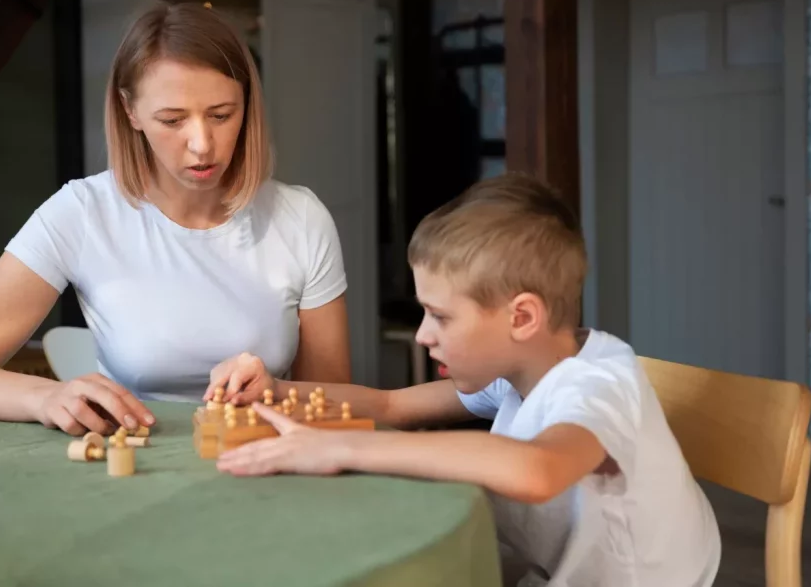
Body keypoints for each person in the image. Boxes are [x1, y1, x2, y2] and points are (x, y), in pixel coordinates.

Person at [204, 173, 721, 587]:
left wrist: (338, 449)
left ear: (522, 319)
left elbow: (538, 469)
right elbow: (390, 406)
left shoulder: (598, 386)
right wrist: (277, 389)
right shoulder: (519, 369)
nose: (423, 336)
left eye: (441, 317)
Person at [0, 2, 351, 437]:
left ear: (247, 105)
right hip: (135, 464)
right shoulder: (82, 213)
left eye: (221, 115)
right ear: (130, 111)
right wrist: (43, 397)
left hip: (262, 459)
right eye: (172, 120)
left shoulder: (301, 218)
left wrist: (277, 391)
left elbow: (333, 403)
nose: (201, 144)